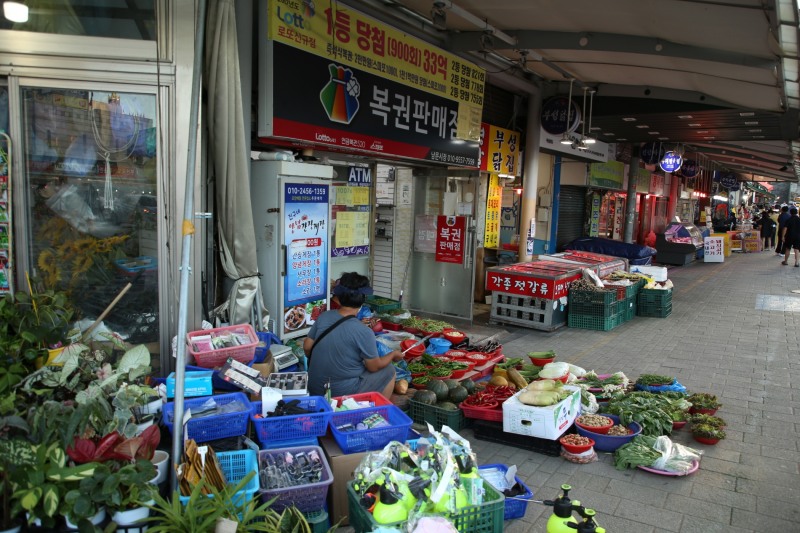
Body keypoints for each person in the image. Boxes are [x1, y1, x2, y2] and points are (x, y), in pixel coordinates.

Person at [304, 272, 403, 399]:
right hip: (339, 392)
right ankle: (378, 412)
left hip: (314, 386)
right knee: (388, 371)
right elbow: (373, 366)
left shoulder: (324, 316)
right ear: (362, 299)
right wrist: (393, 354)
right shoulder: (364, 331)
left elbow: (307, 347)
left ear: (339, 296)